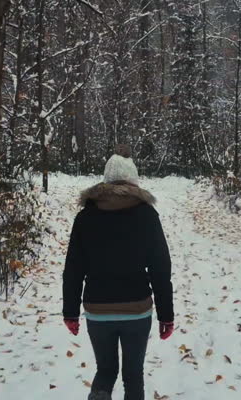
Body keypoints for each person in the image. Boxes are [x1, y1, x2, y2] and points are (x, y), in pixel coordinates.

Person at [62, 145, 175, 400]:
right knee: (133, 375)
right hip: (137, 309)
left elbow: (73, 269)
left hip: (97, 309)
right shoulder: (147, 216)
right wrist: (166, 316)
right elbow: (160, 268)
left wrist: (70, 311)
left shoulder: (85, 218)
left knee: (106, 370)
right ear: (134, 182)